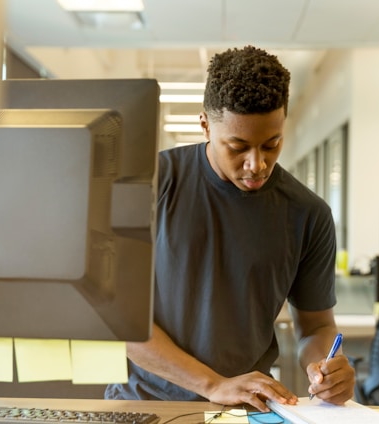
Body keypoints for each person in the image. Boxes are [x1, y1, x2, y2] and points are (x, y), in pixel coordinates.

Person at [105, 45, 355, 411]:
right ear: (205, 124)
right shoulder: (150, 184)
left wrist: (326, 369)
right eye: (238, 147)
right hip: (145, 405)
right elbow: (117, 317)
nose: (257, 164)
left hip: (243, 410)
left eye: (272, 144)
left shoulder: (308, 214)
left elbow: (316, 327)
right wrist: (211, 384)